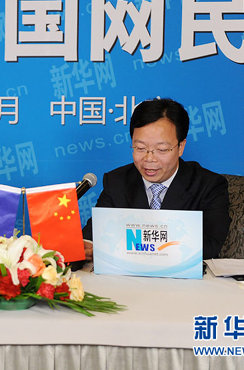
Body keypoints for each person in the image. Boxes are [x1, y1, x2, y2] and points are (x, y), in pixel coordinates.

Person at [82, 98, 231, 260]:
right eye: (140, 148)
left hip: (181, 275)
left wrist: (132, 243)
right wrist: (85, 245)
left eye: (161, 149)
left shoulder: (208, 185)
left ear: (180, 147)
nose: (149, 159)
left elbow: (209, 246)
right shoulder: (117, 181)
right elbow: (94, 233)